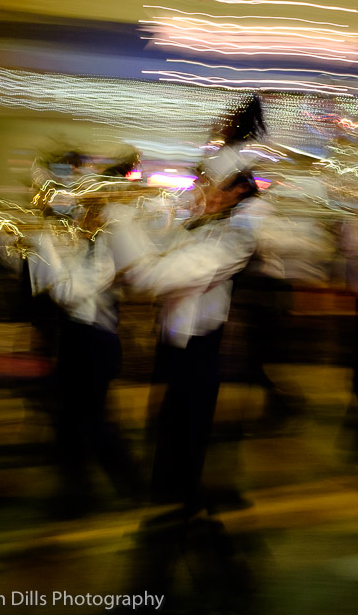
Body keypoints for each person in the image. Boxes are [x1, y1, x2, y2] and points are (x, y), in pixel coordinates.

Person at [106, 97, 265, 518]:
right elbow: (156, 257)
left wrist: (119, 220)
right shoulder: (194, 225)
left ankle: (182, 505)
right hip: (174, 341)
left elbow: (151, 277)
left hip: (200, 347)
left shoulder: (232, 243)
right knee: (168, 426)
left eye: (212, 187)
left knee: (189, 431)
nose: (202, 193)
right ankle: (166, 494)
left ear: (233, 196)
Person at [27, 182, 144, 516]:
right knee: (69, 421)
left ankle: (130, 484)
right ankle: (77, 491)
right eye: (84, 209)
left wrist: (42, 241)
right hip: (75, 338)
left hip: (96, 344)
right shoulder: (79, 246)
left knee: (95, 422)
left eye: (92, 210)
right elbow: (46, 285)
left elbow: (67, 292)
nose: (82, 216)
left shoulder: (108, 255)